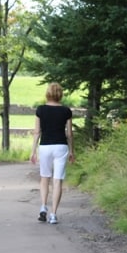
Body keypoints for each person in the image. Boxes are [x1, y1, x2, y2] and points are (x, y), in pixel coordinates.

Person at [30, 82, 74, 224]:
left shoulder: (41, 110)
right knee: (57, 180)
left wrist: (33, 151)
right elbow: (69, 134)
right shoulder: (66, 111)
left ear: (47, 93)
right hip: (61, 146)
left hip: (45, 146)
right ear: (60, 94)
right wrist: (72, 151)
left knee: (44, 178)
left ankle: (43, 206)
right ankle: (53, 214)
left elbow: (37, 132)